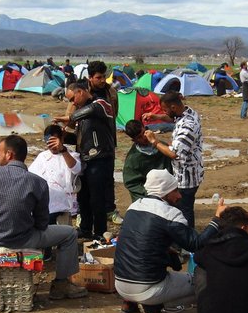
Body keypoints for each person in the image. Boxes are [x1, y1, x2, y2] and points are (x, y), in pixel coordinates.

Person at [0, 135, 88, 300]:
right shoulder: (37, 182)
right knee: (69, 234)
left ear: (9, 155)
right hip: (24, 239)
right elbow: (42, 222)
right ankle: (61, 285)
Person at [115, 169, 225, 313]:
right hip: (147, 287)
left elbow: (137, 242)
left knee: (136, 261)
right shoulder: (170, 214)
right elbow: (195, 244)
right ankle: (154, 305)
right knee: (203, 284)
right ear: (164, 192)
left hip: (120, 284)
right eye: (175, 191)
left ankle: (129, 303)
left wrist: (164, 250)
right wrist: (217, 220)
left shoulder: (134, 207)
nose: (179, 196)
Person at [53, 81, 115, 240]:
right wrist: (65, 137)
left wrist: (67, 118)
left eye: (73, 98)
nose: (73, 103)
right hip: (86, 158)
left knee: (97, 199)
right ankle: (85, 228)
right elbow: (82, 139)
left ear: (80, 92)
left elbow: (92, 109)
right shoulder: (83, 113)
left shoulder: (101, 103)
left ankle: (100, 233)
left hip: (100, 158)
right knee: (83, 197)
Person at [143, 91, 204, 227]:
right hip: (188, 171)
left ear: (173, 107)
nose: (164, 112)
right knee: (183, 208)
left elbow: (174, 154)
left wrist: (154, 141)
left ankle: (187, 240)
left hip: (187, 176)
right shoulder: (186, 112)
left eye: (165, 110)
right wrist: (155, 116)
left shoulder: (188, 125)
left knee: (184, 210)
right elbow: (172, 119)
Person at [85, 60, 121, 225]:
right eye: (98, 77)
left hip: (107, 143)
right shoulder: (83, 92)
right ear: (90, 77)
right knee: (86, 179)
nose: (102, 80)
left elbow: (113, 116)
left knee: (108, 178)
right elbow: (73, 115)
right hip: (87, 143)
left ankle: (110, 210)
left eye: (104, 76)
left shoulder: (111, 93)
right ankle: (84, 213)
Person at [28, 125, 82, 224]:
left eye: (54, 141)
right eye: (49, 142)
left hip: (64, 202)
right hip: (46, 202)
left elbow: (77, 169)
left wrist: (63, 150)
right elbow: (31, 176)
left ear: (61, 139)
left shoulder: (72, 155)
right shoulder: (43, 156)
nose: (52, 146)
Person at [122, 119, 172, 203]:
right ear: (134, 140)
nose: (144, 137)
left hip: (166, 189)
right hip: (146, 195)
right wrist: (151, 193)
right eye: (139, 137)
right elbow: (132, 183)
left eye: (144, 133)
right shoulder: (133, 159)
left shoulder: (162, 147)